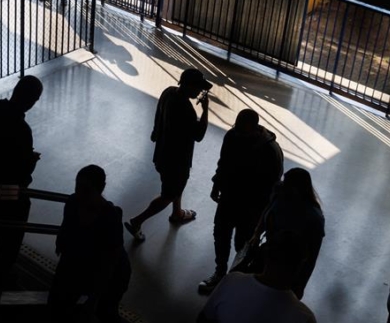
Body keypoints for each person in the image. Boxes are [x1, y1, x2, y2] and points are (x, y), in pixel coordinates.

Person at [199, 109, 284, 293]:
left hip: (250, 205)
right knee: (223, 235)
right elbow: (224, 162)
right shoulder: (235, 136)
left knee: (241, 243)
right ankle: (225, 274)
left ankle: (232, 276)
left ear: (253, 128)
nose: (237, 132)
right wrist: (217, 184)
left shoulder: (269, 151)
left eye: (241, 130)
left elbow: (272, 185)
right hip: (233, 198)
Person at [124, 68, 212, 242]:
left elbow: (158, 116)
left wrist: (155, 133)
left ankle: (177, 213)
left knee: (176, 186)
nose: (200, 91)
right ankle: (137, 221)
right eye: (198, 87)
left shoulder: (169, 92)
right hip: (176, 160)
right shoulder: (186, 110)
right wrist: (205, 110)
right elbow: (199, 135)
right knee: (169, 194)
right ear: (188, 86)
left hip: (163, 152)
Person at [0, 75, 43, 287]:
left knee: (1, 217)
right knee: (13, 225)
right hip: (8, 187)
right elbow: (22, 170)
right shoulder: (22, 130)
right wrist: (31, 160)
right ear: (32, 102)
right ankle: (1, 269)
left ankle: (0, 262)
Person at [48, 165, 131, 323]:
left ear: (100, 190)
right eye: (77, 187)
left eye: (85, 189)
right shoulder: (75, 202)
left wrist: (93, 300)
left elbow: (109, 264)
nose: (79, 193)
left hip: (111, 275)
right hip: (87, 264)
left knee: (104, 312)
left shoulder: (109, 217)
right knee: (59, 305)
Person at [197, 231, 317, 323]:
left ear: (265, 254)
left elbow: (203, 319)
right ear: (300, 266)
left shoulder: (231, 281)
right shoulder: (304, 317)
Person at [254, 168, 325, 299]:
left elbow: (311, 258)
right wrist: (256, 235)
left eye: (287, 184)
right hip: (274, 261)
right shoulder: (282, 195)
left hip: (286, 269)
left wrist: (300, 286)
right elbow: (268, 211)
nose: (283, 186)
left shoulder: (313, 218)